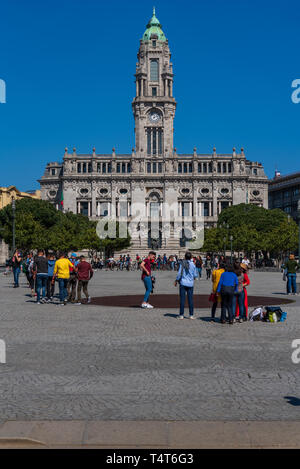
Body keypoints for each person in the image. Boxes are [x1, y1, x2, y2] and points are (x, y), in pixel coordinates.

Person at [175, 252, 198, 320]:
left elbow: (179, 274)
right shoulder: (193, 265)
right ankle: (191, 315)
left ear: (185, 257)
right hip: (190, 284)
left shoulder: (182, 264)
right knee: (190, 299)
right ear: (191, 257)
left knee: (182, 299)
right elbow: (195, 275)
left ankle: (181, 315)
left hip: (183, 283)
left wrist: (176, 280)